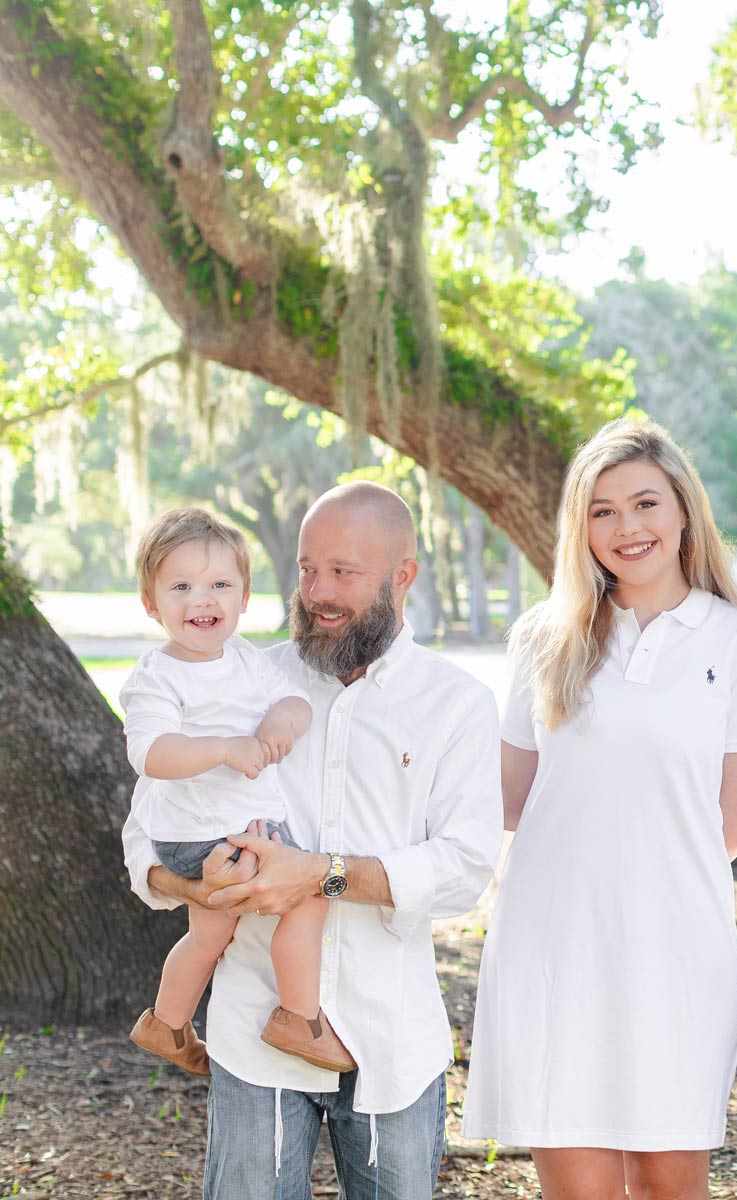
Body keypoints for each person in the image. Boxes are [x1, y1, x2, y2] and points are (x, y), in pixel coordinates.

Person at [122, 481, 503, 1200]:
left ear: (402, 577)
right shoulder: (243, 677)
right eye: (306, 569)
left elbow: (463, 867)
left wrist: (319, 875)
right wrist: (188, 885)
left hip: (389, 1035)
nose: (318, 591)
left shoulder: (455, 703)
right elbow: (147, 825)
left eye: (344, 572)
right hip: (249, 1027)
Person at [461, 420, 737, 1200]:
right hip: (553, 942)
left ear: (682, 511)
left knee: (674, 1187)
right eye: (602, 511)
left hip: (675, 944)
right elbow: (512, 799)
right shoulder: (544, 638)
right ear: (581, 526)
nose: (627, 527)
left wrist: (646, 881)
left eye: (645, 503)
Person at [121, 507, 351, 1076]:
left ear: (244, 597)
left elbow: (292, 701)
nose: (203, 600)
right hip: (199, 833)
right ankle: (299, 1017)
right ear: (152, 604)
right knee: (310, 894)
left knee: (212, 932)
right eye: (181, 587)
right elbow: (149, 755)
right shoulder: (157, 676)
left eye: (220, 585)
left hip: (237, 828)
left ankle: (166, 1023)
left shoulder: (246, 657)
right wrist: (224, 748)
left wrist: (281, 722)